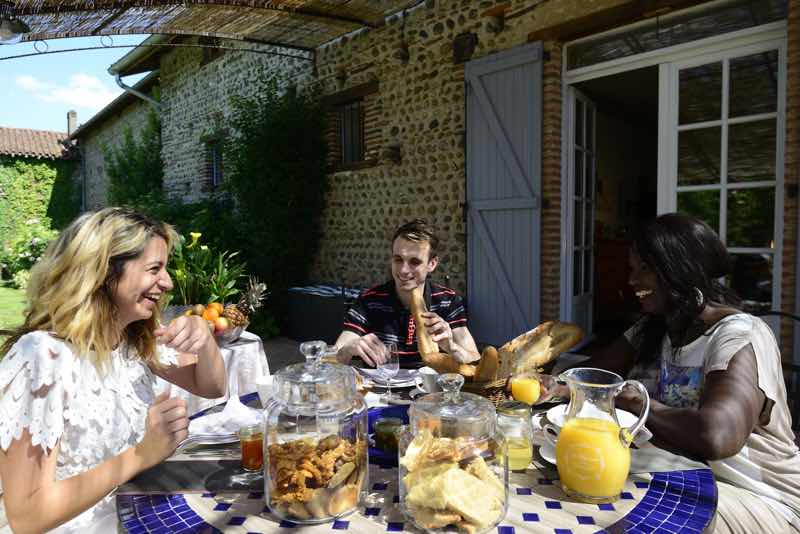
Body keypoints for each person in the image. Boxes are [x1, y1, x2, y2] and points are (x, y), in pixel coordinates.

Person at [545, 213, 800, 533]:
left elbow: (716, 435)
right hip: (675, 475)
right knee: (576, 485)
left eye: (644, 269)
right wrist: (558, 385)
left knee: (622, 518)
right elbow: (594, 373)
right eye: (632, 269)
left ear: (678, 268)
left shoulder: (739, 336)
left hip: (759, 496)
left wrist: (638, 404)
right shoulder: (653, 328)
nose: (631, 280)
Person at [0, 208, 227, 533]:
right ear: (103, 272)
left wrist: (205, 342)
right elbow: (27, 516)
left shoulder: (133, 340)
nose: (168, 282)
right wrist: (141, 454)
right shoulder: (42, 358)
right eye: (154, 269)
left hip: (141, 515)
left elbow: (212, 386)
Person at [334, 219, 480, 368]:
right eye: (398, 259)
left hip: (433, 390)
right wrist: (349, 348)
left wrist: (451, 347)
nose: (404, 270)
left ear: (432, 264)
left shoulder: (448, 301)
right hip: (381, 389)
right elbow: (333, 358)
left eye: (414, 262)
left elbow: (476, 362)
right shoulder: (369, 300)